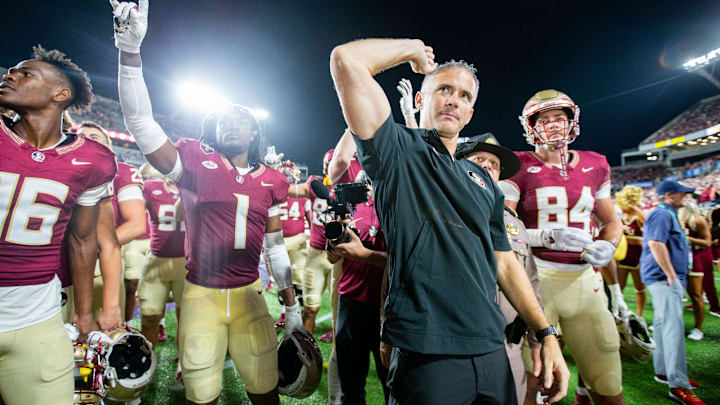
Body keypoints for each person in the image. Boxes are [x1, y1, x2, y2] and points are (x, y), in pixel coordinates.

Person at [330, 38, 568, 404]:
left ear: (470, 114)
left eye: (465, 96)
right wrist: (412, 50)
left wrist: (545, 332)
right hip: (427, 350)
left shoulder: (485, 181)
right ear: (422, 101)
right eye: (444, 89)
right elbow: (346, 60)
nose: (455, 100)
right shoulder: (397, 151)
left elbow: (504, 262)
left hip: (491, 348)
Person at [112, 2, 302, 403]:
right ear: (212, 130)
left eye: (241, 120)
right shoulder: (194, 161)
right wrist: (130, 53)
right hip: (199, 295)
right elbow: (142, 126)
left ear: (254, 132)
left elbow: (274, 247)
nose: (231, 124)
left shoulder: (272, 180)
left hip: (251, 294)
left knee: (265, 390)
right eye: (223, 120)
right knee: (202, 394)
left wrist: (292, 304)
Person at [0, 45, 117, 404]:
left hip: (36, 316)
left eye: (25, 73)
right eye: (11, 71)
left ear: (60, 94)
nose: (10, 75)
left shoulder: (94, 159)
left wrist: (84, 313)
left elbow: (83, 241)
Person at [500, 89, 626, 405]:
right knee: (531, 385)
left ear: (573, 121)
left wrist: (609, 245)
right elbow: (502, 223)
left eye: (559, 118)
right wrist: (544, 236)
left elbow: (611, 220)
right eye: (544, 119)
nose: (554, 125)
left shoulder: (596, 163)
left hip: (584, 281)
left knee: (607, 381)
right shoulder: (518, 163)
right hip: (535, 279)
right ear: (530, 126)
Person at [464, 133, 543, 405]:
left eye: (494, 164)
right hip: (455, 346)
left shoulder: (515, 225)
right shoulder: (439, 210)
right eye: (479, 159)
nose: (487, 165)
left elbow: (530, 283)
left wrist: (537, 339)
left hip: (507, 345)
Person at [640, 180, 705, 405]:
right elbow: (656, 243)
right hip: (663, 277)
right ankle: (678, 385)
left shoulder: (665, 212)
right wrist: (671, 275)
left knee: (661, 324)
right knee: (673, 328)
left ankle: (664, 371)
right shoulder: (662, 214)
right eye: (681, 193)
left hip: (661, 276)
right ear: (669, 195)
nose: (685, 196)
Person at [678, 199, 712, 341]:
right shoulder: (674, 217)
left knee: (696, 295)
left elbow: (707, 242)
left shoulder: (697, 220)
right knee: (672, 295)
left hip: (693, 260)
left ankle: (698, 329)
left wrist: (687, 238)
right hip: (677, 260)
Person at [615, 186, 647, 316]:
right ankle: (620, 312)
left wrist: (635, 207)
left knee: (639, 288)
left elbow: (648, 222)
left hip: (638, 257)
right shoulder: (620, 217)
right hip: (623, 256)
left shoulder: (638, 217)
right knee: (619, 288)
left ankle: (640, 315)